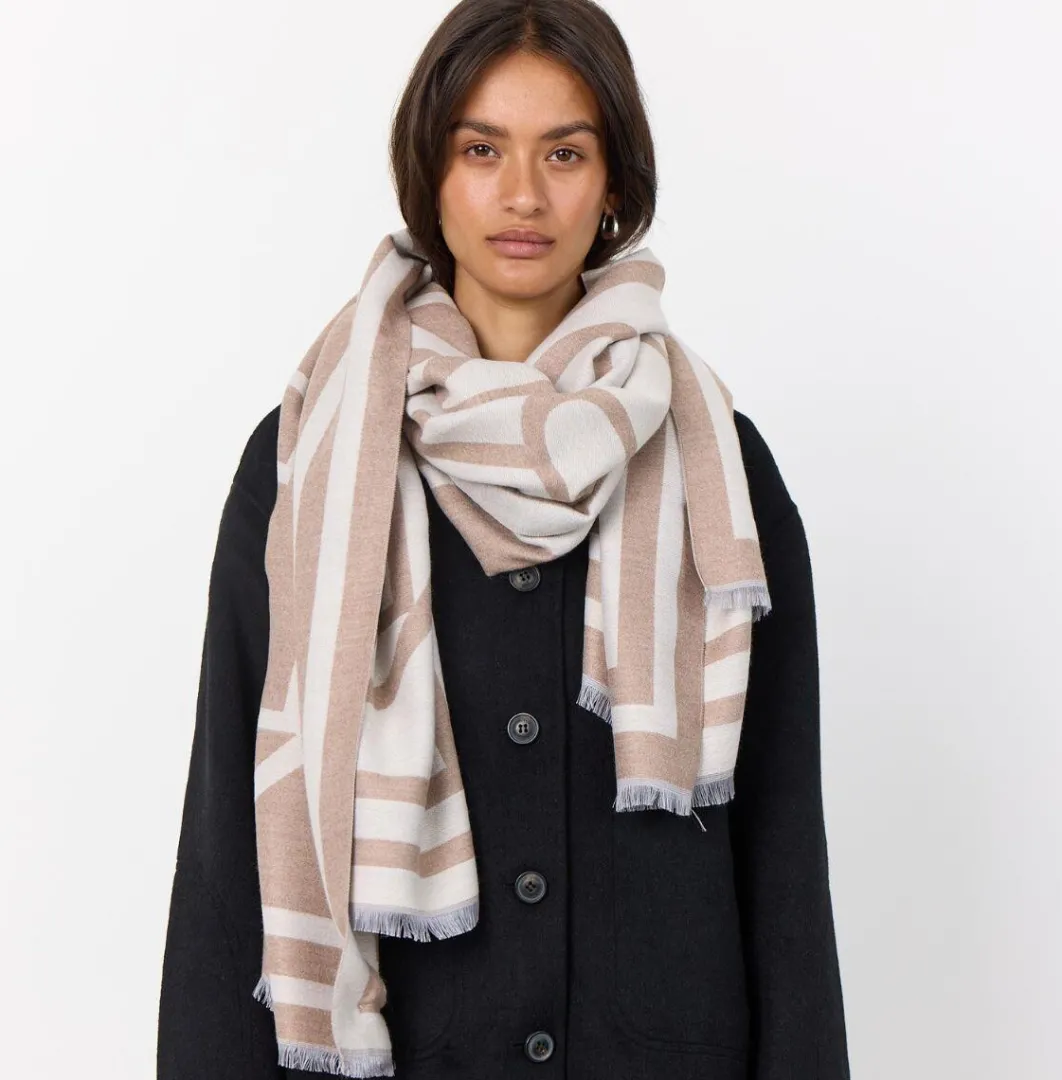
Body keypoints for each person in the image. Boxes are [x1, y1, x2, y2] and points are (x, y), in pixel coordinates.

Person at [157, 2, 850, 1078]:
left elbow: (781, 839)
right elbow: (231, 837)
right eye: (481, 149)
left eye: (564, 153)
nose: (523, 194)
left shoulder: (719, 464)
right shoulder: (310, 459)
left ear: (614, 183)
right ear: (429, 173)